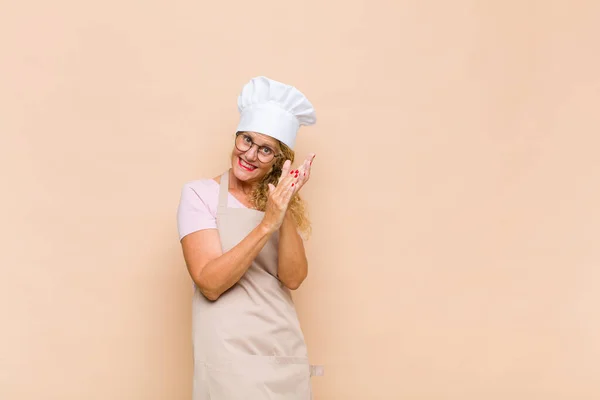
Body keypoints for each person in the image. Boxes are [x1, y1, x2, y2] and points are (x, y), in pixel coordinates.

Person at [177, 76, 320, 399]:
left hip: (282, 347)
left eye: (265, 149)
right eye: (246, 140)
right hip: (229, 355)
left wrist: (282, 209)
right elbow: (210, 283)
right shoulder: (200, 194)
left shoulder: (277, 206)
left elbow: (293, 278)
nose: (250, 154)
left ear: (279, 161)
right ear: (237, 137)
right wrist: (266, 225)